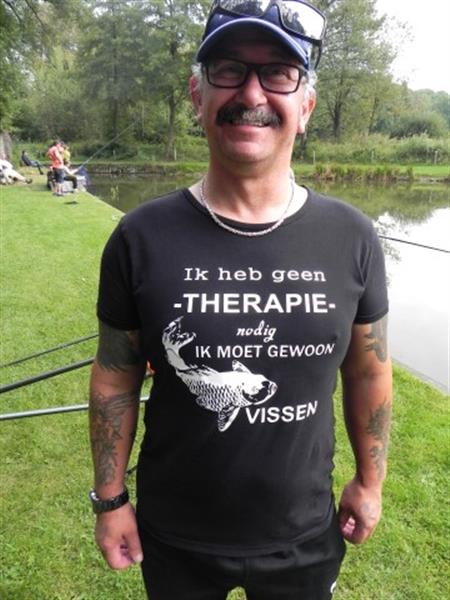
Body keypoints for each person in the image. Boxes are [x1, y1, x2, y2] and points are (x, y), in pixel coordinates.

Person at [89, 2, 392, 599]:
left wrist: (371, 480)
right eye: (228, 69)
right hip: (173, 533)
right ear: (197, 95)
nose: (251, 93)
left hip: (305, 533)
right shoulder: (139, 236)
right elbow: (115, 375)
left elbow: (368, 370)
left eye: (278, 72)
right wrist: (110, 498)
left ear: (306, 107)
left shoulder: (353, 236)